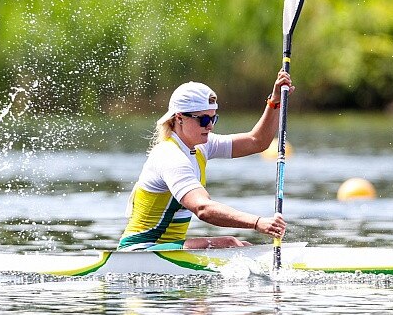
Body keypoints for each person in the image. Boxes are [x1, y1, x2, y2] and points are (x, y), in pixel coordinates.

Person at [118, 70, 293, 251]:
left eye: (213, 118)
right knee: (230, 244)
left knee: (243, 247)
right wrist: (257, 223)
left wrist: (275, 101)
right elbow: (203, 209)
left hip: (166, 249)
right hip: (139, 251)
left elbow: (257, 142)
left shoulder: (202, 145)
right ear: (179, 118)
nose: (210, 126)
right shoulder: (170, 156)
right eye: (203, 119)